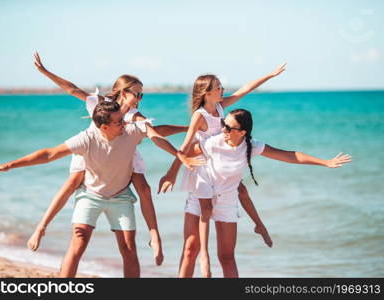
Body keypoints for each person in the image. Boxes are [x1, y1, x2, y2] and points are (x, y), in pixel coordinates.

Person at [0, 101, 202, 278]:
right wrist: (11, 164)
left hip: (120, 196)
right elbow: (49, 154)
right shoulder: (87, 139)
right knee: (79, 242)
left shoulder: (130, 131)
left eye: (123, 120)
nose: (123, 124)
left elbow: (157, 134)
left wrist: (183, 145)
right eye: (118, 122)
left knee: (128, 248)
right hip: (90, 195)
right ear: (104, 127)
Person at [27, 53, 188, 267]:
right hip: (91, 151)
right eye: (136, 94)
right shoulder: (101, 104)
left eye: (142, 96)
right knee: (72, 183)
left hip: (122, 154)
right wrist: (46, 72)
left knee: (144, 189)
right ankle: (42, 226)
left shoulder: (135, 116)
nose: (139, 99)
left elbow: (155, 132)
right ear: (123, 92)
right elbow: (72, 89)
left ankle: (155, 237)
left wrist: (188, 129)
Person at [176, 108, 351, 277]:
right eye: (223, 124)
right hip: (201, 196)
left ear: (242, 132)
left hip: (226, 202)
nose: (224, 129)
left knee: (227, 258)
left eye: (229, 127)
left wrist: (324, 162)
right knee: (191, 249)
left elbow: (290, 156)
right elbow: (185, 151)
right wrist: (179, 170)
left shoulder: (251, 146)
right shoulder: (214, 142)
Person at [158, 64, 286, 277]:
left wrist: (269, 75)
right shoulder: (199, 116)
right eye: (218, 87)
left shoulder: (220, 107)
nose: (222, 89)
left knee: (242, 191)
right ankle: (202, 262)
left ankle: (259, 226)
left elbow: (244, 90)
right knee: (191, 246)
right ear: (206, 93)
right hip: (203, 168)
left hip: (223, 164)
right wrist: (172, 172)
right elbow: (186, 146)